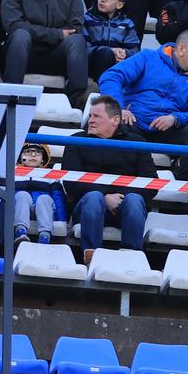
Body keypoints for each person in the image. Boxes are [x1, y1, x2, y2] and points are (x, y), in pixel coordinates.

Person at [60, 96, 156, 263]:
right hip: (87, 208)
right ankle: (91, 256)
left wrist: (120, 196)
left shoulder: (137, 142)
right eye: (90, 116)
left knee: (133, 200)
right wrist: (105, 196)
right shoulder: (76, 141)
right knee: (94, 197)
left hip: (124, 206)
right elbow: (71, 183)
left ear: (115, 120)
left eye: (96, 116)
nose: (90, 120)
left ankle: (131, 258)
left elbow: (151, 182)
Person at [0, 0, 88, 99]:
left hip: (58, 55)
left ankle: (76, 101)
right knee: (20, 35)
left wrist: (34, 31)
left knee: (77, 40)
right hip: (24, 54)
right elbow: (14, 26)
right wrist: (58, 34)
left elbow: (75, 29)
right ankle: (11, 97)